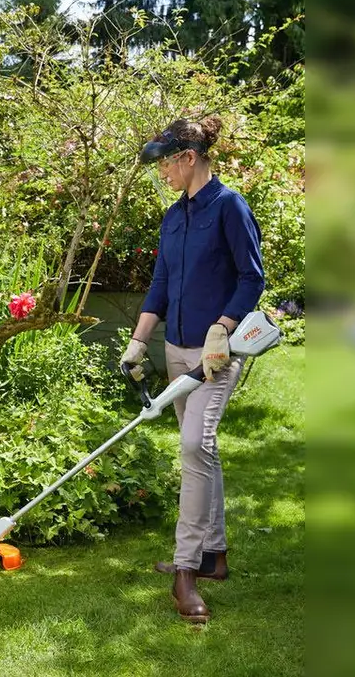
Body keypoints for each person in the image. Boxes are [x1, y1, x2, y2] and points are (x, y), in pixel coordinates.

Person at [120, 115, 266, 624]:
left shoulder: (229, 207)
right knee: (203, 451)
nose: (162, 172)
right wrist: (139, 342)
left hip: (214, 354)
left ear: (188, 158)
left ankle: (186, 571)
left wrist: (224, 326)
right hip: (176, 350)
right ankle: (216, 556)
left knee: (192, 447)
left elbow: (253, 277)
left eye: (166, 163)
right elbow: (161, 282)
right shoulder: (172, 217)